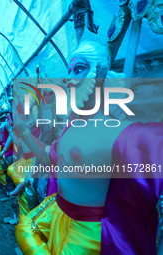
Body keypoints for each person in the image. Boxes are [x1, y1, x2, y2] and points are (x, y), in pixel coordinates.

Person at [14, 31, 163, 255]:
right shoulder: (72, 127)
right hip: (57, 213)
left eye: (79, 69)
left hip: (86, 233)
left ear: (100, 72)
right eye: (69, 70)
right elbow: (49, 156)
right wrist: (24, 131)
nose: (67, 78)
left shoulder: (125, 134)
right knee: (24, 228)